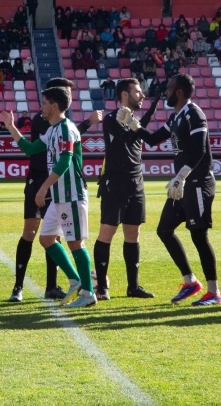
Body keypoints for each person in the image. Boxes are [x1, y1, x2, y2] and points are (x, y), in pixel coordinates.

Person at [127, 74, 221, 306]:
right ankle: (190, 281)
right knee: (164, 229)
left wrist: (181, 176)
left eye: (169, 89)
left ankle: (214, 292)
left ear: (179, 92)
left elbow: (199, 151)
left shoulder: (194, 114)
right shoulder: (177, 116)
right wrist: (134, 126)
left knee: (199, 236)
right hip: (182, 184)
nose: (165, 93)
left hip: (198, 182)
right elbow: (154, 139)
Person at [1, 85, 97, 308]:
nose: (41, 107)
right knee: (46, 239)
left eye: (44, 103)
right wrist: (11, 127)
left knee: (75, 243)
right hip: (59, 196)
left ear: (54, 106)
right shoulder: (52, 131)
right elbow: (29, 148)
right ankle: (75, 281)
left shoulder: (66, 129)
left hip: (71, 194)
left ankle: (88, 293)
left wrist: (43, 187)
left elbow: (64, 161)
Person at [92, 79, 158, 300]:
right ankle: (101, 287)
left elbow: (140, 135)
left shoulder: (133, 119)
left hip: (136, 181)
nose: (141, 96)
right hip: (115, 183)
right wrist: (142, 120)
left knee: (133, 234)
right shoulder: (112, 119)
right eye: (137, 92)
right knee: (107, 233)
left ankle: (133, 286)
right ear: (124, 94)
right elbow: (131, 137)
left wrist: (149, 113)